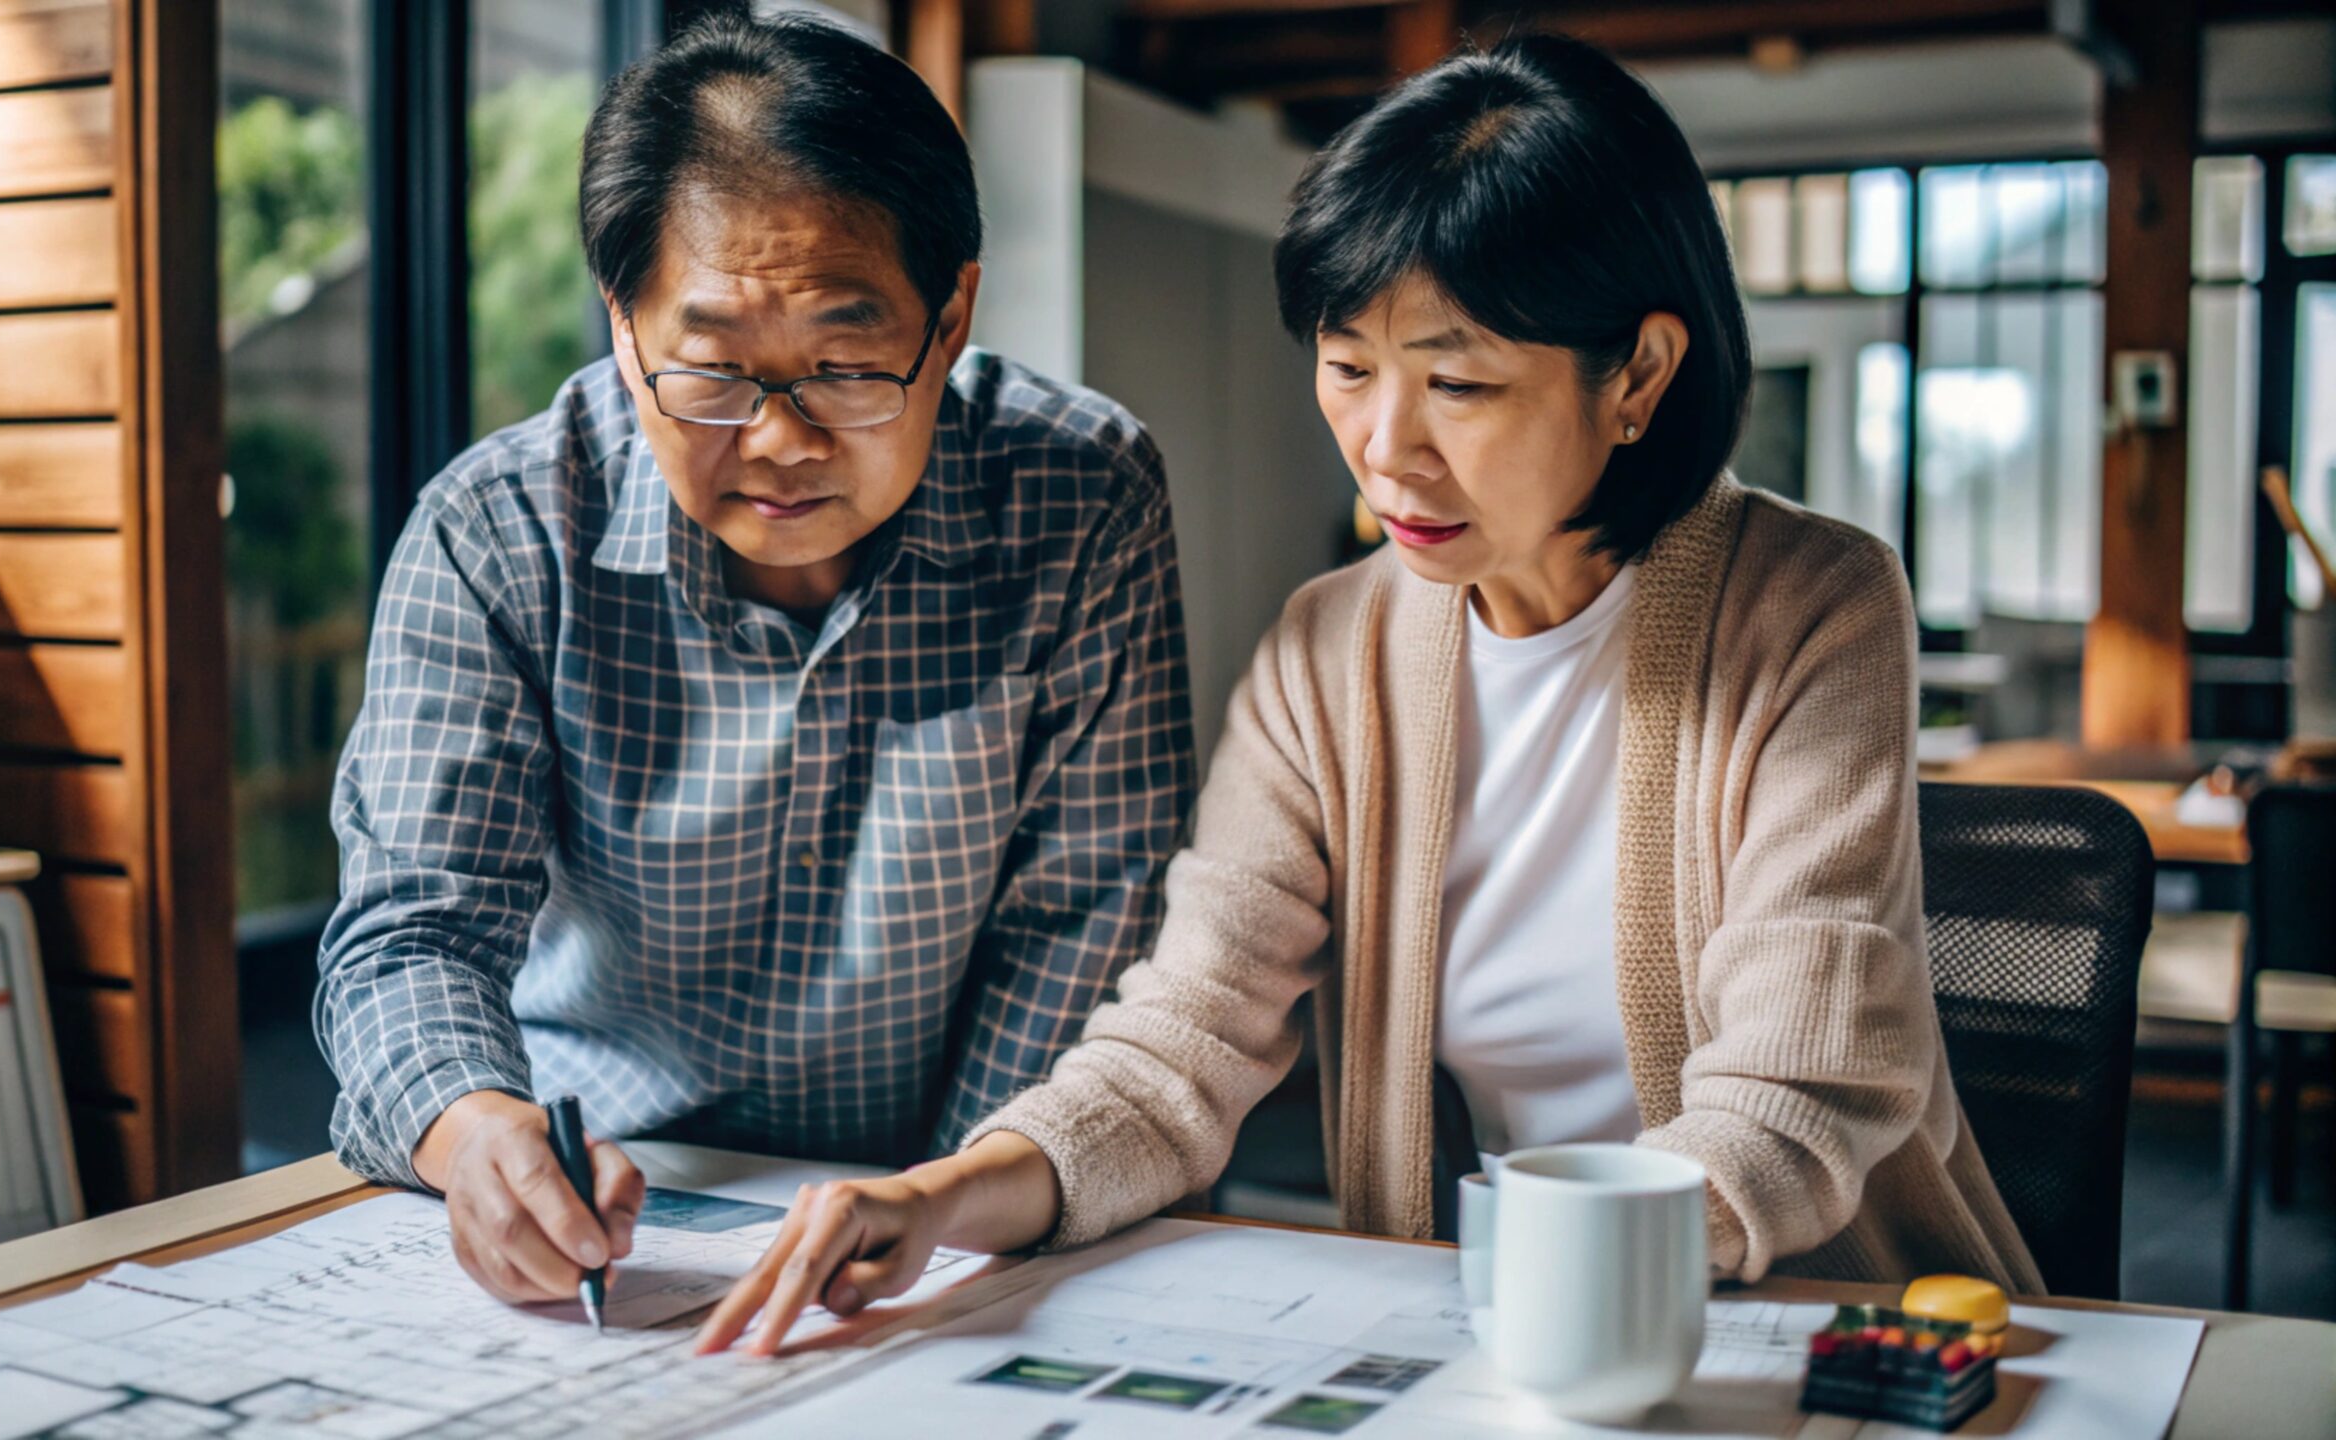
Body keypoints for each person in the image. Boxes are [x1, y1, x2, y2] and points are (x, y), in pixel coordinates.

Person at [698, 30, 2045, 1356]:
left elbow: (1800, 1090)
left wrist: (1542, 1278)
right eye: (1350, 369)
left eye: (1458, 382)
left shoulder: (1812, 605)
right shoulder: (1326, 652)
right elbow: (1183, 1043)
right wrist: (941, 1200)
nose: (1386, 450)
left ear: (1638, 373)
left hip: (1823, 1333)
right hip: (1512, 1332)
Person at [314, 14, 1196, 1309]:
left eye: (846, 367)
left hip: (945, 1199)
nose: (781, 441)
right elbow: (414, 929)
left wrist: (948, 1214)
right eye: (716, 373)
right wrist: (477, 1131)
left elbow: (1080, 926)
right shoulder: (498, 530)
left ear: (951, 316)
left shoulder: (1078, 498)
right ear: (624, 328)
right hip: (612, 1198)